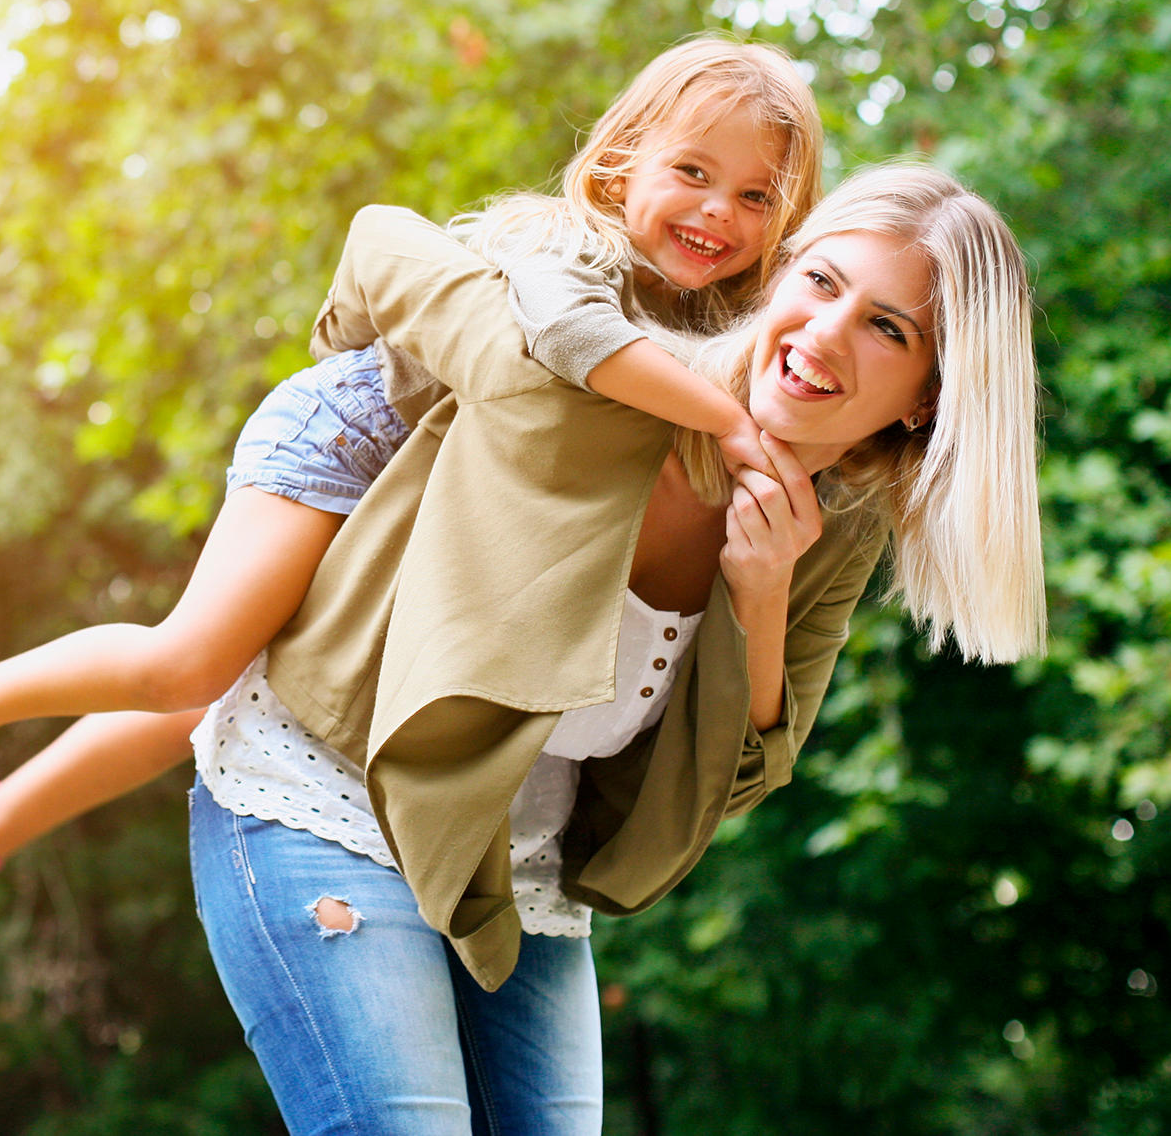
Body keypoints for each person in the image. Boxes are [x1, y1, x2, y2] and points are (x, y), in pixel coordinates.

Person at [0, 36, 825, 983]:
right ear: (617, 166)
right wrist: (728, 423)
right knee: (194, 660)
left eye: (752, 196)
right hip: (358, 438)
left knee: (223, 699)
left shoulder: (730, 329)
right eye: (691, 172)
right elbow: (565, 340)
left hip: (438, 504)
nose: (716, 211)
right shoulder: (566, 247)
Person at [184, 162, 1045, 1133]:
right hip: (330, 790)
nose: (824, 332)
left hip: (518, 880)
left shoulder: (832, 530)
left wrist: (759, 599)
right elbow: (387, 249)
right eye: (819, 281)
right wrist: (335, 394)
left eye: (887, 327)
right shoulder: (609, 370)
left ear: (926, 396)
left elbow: (742, 777)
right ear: (780, 275)